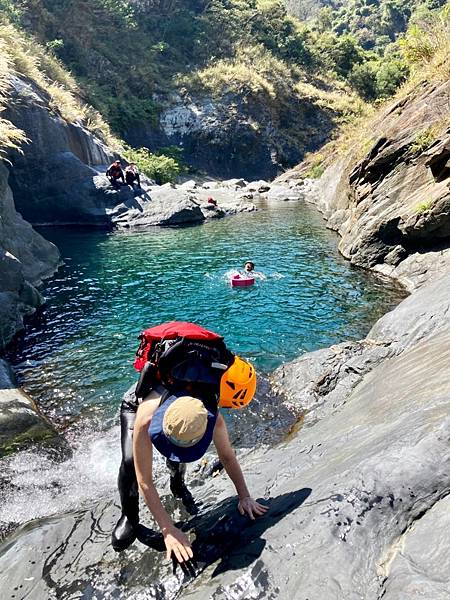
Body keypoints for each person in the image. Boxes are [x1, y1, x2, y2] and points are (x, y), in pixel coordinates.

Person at [112, 321, 267, 562]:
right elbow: (145, 481)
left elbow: (227, 456)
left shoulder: (209, 418)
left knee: (176, 458)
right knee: (131, 462)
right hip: (137, 404)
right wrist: (168, 529)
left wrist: (244, 495)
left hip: (180, 407)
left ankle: (177, 482)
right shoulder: (145, 419)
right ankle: (129, 516)